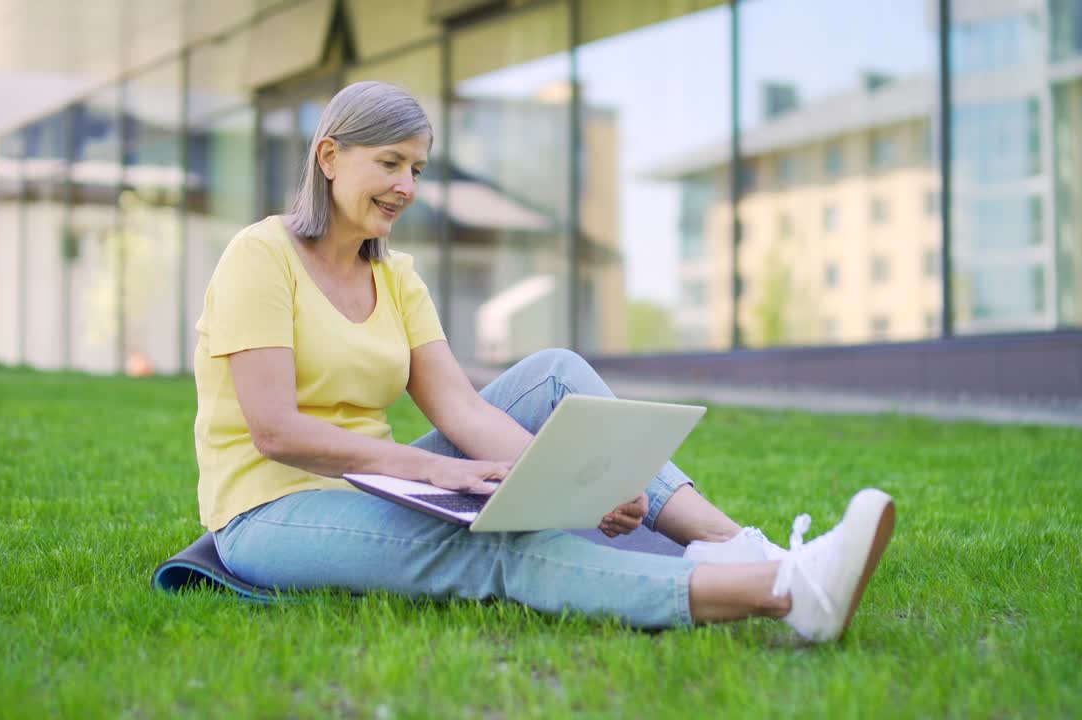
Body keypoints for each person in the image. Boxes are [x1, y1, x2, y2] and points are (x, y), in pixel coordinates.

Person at [193, 81, 895, 640]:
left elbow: (462, 408)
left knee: (554, 371)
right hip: (271, 510)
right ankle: (783, 592)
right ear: (329, 157)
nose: (407, 186)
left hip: (380, 488)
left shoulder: (396, 276)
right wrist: (450, 475)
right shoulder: (262, 255)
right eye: (390, 163)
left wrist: (575, 489)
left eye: (416, 168)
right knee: (492, 546)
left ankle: (741, 547)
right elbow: (276, 431)